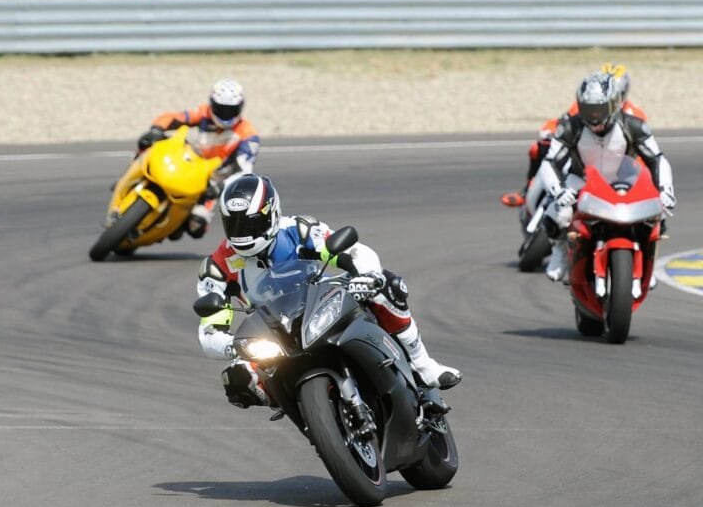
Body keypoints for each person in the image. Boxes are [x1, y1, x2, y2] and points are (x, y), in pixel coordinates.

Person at [195, 174, 461, 409]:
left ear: (271, 213)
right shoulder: (216, 266)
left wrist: (366, 275)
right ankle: (311, 415)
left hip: (318, 301)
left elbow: (354, 251)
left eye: (250, 223)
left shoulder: (299, 229)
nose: (243, 232)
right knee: (238, 379)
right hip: (272, 330)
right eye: (235, 224)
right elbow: (209, 333)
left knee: (388, 285)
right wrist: (234, 346)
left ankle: (423, 366)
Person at [538, 70, 676, 281]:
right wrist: (559, 191)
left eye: (600, 109)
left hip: (623, 180)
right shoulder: (569, 127)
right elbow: (550, 162)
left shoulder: (633, 125)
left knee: (658, 214)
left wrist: (665, 190)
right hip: (581, 179)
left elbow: (657, 158)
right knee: (557, 214)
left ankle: (647, 261)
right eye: (588, 109)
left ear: (614, 104)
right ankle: (559, 249)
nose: (594, 116)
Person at [500, 63, 648, 217]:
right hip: (583, 161)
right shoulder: (588, 104)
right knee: (539, 148)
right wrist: (551, 130)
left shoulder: (635, 115)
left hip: (618, 168)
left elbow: (644, 151)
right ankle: (528, 190)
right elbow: (563, 122)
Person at [136, 78, 262, 239]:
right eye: (221, 108)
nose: (225, 114)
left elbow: (244, 170)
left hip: (211, 181)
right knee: (147, 142)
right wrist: (156, 129)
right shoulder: (203, 113)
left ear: (240, 107)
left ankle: (177, 221)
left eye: (231, 110)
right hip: (185, 161)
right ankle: (133, 171)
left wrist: (221, 186)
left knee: (196, 228)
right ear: (212, 104)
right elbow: (174, 118)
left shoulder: (249, 135)